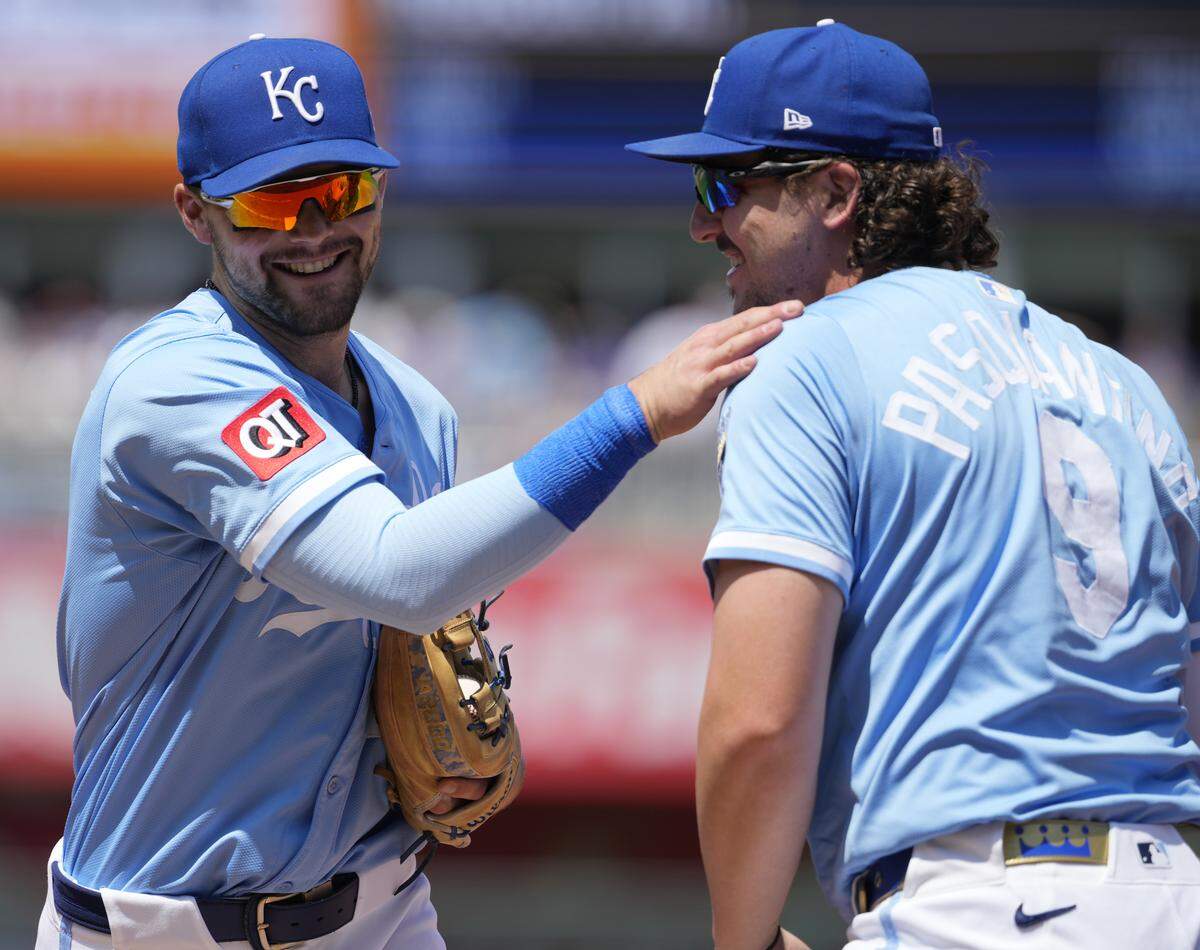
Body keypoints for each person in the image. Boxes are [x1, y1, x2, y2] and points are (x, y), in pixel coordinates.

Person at [36, 36, 801, 950]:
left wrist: (420, 764)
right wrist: (630, 417)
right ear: (195, 214)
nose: (314, 230)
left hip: (386, 910)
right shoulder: (175, 383)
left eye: (343, 191)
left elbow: (410, 632)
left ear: (382, 193)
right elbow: (398, 571)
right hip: (159, 928)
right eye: (273, 201)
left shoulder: (416, 408)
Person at [627, 20, 1200, 950]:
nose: (703, 221)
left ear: (836, 192)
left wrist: (745, 940)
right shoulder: (1126, 384)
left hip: (982, 907)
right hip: (1171, 891)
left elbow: (759, 723)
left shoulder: (804, 358)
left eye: (726, 184)